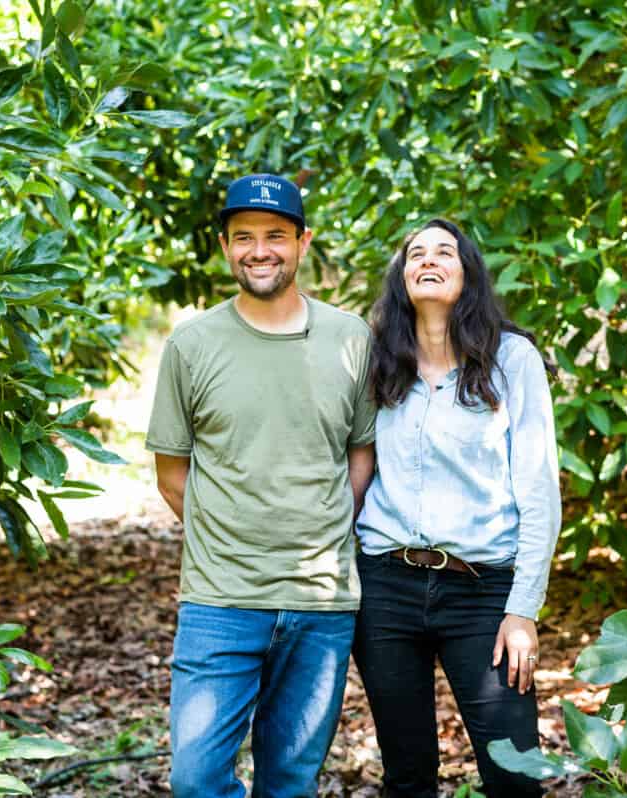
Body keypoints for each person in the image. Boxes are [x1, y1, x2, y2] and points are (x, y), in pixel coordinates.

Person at [146, 173, 377, 797]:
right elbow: (173, 474)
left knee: (290, 783)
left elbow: (362, 453)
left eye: (276, 235)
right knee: (196, 779)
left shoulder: (351, 338)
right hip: (221, 600)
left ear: (303, 241)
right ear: (224, 246)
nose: (260, 250)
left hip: (320, 600)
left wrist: (322, 522)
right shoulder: (191, 346)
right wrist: (233, 534)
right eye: (243, 237)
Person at [353, 218, 562, 797]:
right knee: (408, 775)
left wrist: (523, 610)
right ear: (400, 278)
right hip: (385, 588)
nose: (428, 259)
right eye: (414, 253)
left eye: (444, 251)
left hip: (483, 592)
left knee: (516, 775)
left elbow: (540, 489)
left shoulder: (512, 360)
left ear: (467, 272)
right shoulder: (376, 361)